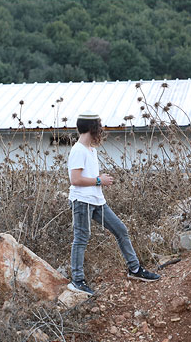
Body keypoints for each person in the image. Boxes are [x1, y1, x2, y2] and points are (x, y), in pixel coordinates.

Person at [67, 111, 160, 295]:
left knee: (120, 230)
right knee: (81, 239)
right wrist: (99, 180)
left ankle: (134, 270)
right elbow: (75, 179)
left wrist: (99, 182)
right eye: (99, 127)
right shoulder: (78, 150)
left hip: (96, 200)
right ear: (92, 128)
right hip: (82, 202)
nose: (101, 130)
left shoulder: (91, 150)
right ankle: (77, 280)